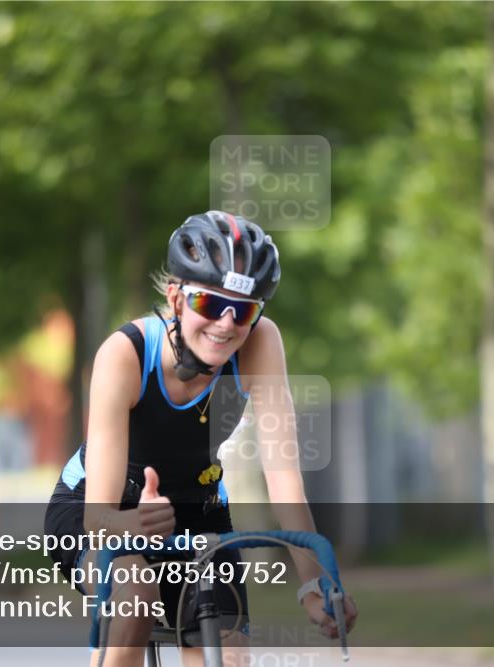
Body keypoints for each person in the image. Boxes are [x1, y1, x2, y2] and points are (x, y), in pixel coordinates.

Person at [45, 211, 358, 667]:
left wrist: (314, 584)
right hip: (100, 509)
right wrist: (133, 525)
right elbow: (98, 518)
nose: (226, 324)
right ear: (176, 298)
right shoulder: (126, 354)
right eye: (210, 304)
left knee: (229, 656)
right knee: (136, 596)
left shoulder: (260, 343)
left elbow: (284, 477)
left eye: (244, 310)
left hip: (198, 510)